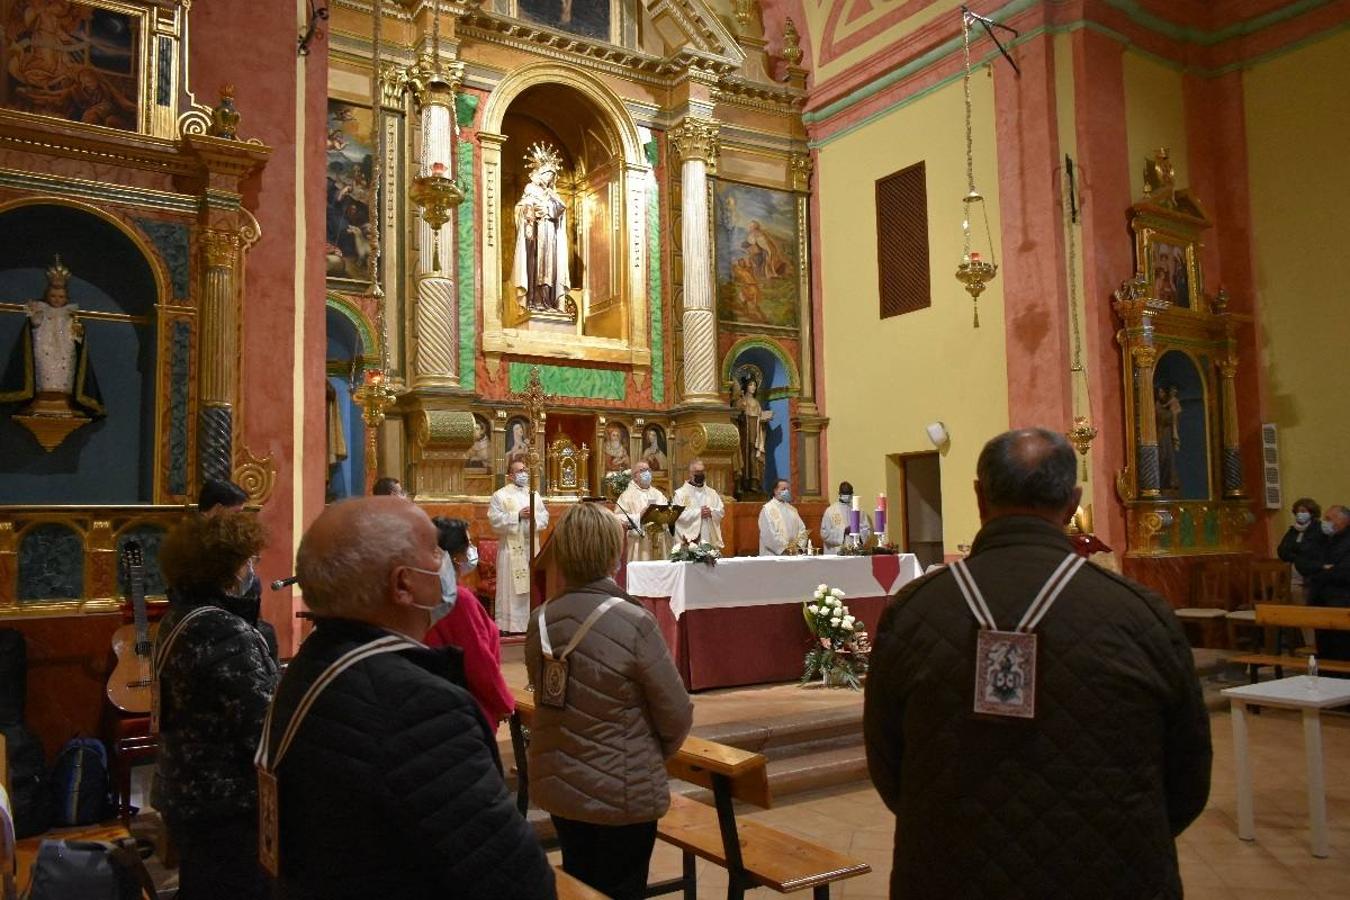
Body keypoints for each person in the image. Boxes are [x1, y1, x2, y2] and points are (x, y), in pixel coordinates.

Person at [864, 428, 1211, 899]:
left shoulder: (916, 610)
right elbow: (1188, 778)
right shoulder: (1139, 613)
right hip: (1112, 874)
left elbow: (888, 765)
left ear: (979, 497)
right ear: (1073, 502)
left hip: (949, 870)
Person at [264, 497, 555, 899]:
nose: (447, 565)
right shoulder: (419, 707)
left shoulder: (310, 665)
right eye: (435, 552)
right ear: (403, 583)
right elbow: (515, 880)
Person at [524, 503, 692, 899]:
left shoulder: (541, 619)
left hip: (561, 782)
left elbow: (548, 694)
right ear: (612, 553)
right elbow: (676, 713)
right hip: (622, 787)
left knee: (580, 879)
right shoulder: (634, 622)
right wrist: (648, 752)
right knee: (622, 886)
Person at [152, 511, 277, 900]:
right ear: (226, 567)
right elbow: (261, 724)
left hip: (186, 786)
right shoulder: (225, 629)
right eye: (249, 561)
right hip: (226, 801)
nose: (253, 570)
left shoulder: (179, 616)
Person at [425, 517, 514, 729]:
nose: (472, 550)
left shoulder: (426, 591)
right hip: (466, 706)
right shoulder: (457, 599)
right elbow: (478, 660)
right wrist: (503, 701)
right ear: (456, 556)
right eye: (468, 545)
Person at [1, 255, 103, 420]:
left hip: (64, 348)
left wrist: (77, 332)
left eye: (61, 297)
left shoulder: (70, 316)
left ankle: (63, 397)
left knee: (65, 367)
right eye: (54, 296)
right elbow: (33, 326)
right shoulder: (42, 310)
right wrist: (35, 314)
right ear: (47, 295)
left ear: (66, 298)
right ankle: (43, 396)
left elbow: (78, 340)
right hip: (44, 345)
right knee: (43, 366)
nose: (57, 300)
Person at [488, 460, 550, 633]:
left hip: (532, 548)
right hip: (511, 550)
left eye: (525, 470)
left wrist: (534, 517)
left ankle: (531, 622)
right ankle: (510, 626)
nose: (524, 473)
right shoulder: (500, 495)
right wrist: (518, 515)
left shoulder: (534, 495)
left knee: (531, 586)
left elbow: (544, 517)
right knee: (512, 589)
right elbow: (494, 521)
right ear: (510, 475)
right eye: (519, 471)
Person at [513, 142, 571, 314]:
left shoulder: (553, 194)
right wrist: (529, 213)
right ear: (540, 173)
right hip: (536, 235)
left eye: (552, 176)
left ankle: (549, 302)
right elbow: (522, 207)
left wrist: (550, 210)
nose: (549, 179)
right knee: (535, 266)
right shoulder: (530, 188)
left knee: (550, 268)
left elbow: (561, 209)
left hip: (551, 234)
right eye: (547, 175)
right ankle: (534, 301)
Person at [1308, 505, 1350, 661]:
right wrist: (1322, 568)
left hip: (1341, 602)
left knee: (1341, 650)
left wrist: (1320, 571)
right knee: (1325, 650)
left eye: (1329, 519)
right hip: (1321, 600)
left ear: (1343, 520)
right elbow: (1305, 562)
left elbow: (1345, 571)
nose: (1325, 523)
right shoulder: (1323, 539)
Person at [615, 461, 670, 562]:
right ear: (635, 476)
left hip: (658, 538)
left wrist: (662, 515)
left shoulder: (658, 494)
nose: (647, 473)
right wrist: (639, 516)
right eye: (642, 470)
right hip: (640, 542)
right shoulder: (626, 496)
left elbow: (666, 512)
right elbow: (618, 518)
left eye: (648, 470)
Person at [1277, 497, 1329, 605]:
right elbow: (1282, 550)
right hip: (1294, 576)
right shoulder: (1293, 530)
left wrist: (1298, 553)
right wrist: (1296, 557)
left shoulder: (1320, 529)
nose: (1299, 514)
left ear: (1312, 513)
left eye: (1303, 511)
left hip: (1312, 575)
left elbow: (1313, 550)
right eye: (1297, 512)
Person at [671, 459, 724, 549]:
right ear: (690, 473)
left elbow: (721, 511)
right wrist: (699, 513)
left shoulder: (712, 493)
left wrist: (711, 512)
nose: (700, 474)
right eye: (697, 472)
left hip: (708, 538)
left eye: (702, 471)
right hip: (688, 541)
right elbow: (677, 515)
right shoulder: (680, 494)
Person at [820, 480, 872, 554]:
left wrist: (857, 531)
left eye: (848, 493)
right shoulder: (830, 511)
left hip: (855, 550)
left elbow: (867, 530)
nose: (846, 495)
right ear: (839, 493)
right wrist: (843, 531)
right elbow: (824, 533)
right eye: (844, 493)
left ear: (852, 493)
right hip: (836, 552)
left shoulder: (859, 511)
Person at [759, 479, 806, 555]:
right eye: (783, 489)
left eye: (787, 489)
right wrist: (785, 548)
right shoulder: (767, 510)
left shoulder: (793, 510)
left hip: (794, 553)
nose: (786, 492)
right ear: (775, 491)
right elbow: (768, 534)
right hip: (775, 555)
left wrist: (798, 546)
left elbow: (802, 530)